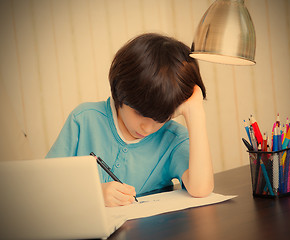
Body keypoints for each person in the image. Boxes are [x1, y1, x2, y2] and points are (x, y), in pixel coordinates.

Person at [46, 33, 214, 207]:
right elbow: (45, 186)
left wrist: (196, 113)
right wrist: (92, 194)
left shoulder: (173, 138)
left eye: (161, 118)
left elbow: (200, 189)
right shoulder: (84, 120)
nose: (148, 128)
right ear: (121, 92)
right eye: (140, 113)